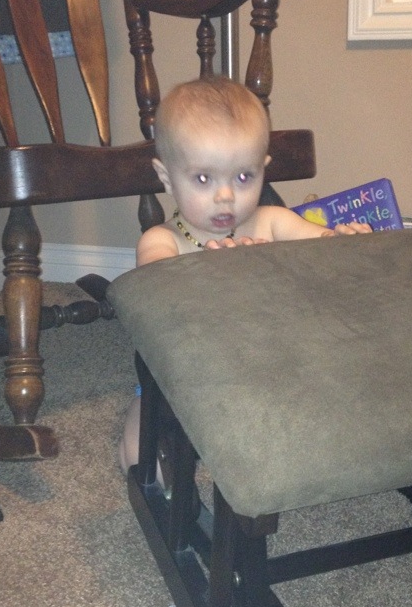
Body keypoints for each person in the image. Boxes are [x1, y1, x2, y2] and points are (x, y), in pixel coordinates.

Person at [119, 75, 371, 472]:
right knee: (144, 426)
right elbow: (156, 289)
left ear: (263, 170)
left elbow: (322, 248)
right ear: (167, 179)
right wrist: (214, 271)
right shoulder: (161, 239)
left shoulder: (272, 220)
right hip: (186, 370)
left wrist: (345, 240)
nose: (226, 196)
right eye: (203, 178)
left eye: (243, 177)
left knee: (322, 390)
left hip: (268, 362)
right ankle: (141, 469)